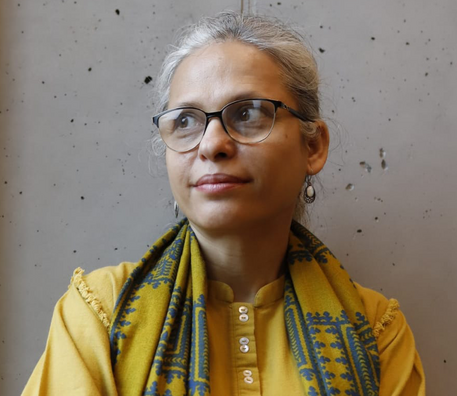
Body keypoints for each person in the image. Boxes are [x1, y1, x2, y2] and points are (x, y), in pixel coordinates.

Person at [23, 11, 425, 396]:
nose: (212, 144)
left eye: (248, 113)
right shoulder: (103, 314)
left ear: (313, 145)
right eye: (185, 121)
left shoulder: (374, 330)